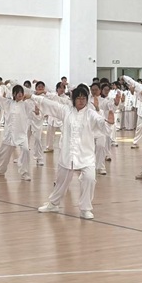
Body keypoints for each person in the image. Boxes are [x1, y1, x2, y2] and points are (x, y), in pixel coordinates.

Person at [33, 86, 114, 220]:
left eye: (84, 98)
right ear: (74, 99)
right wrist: (32, 97)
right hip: (68, 154)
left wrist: (109, 123)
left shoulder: (90, 113)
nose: (81, 101)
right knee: (61, 181)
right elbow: (50, 104)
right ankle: (53, 204)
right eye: (78, 98)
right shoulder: (66, 111)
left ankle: (85, 209)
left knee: (89, 179)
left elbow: (101, 122)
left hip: (86, 155)